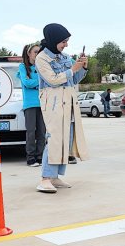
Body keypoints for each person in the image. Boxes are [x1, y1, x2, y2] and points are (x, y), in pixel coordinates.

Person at [34, 23, 88, 192]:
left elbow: (75, 79)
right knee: (54, 138)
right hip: (53, 101)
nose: (66, 45)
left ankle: (55, 177)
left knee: (65, 138)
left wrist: (83, 66)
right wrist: (73, 69)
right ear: (54, 39)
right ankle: (45, 178)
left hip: (69, 101)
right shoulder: (41, 58)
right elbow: (53, 79)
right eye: (63, 41)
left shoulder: (65, 57)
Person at [17, 43, 45, 167]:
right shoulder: (23, 67)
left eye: (39, 52)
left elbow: (48, 81)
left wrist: (36, 82)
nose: (37, 54)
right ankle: (30, 157)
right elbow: (27, 83)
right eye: (35, 52)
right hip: (30, 104)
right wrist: (40, 82)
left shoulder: (42, 67)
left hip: (43, 103)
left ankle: (40, 156)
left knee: (42, 132)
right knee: (30, 132)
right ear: (29, 53)